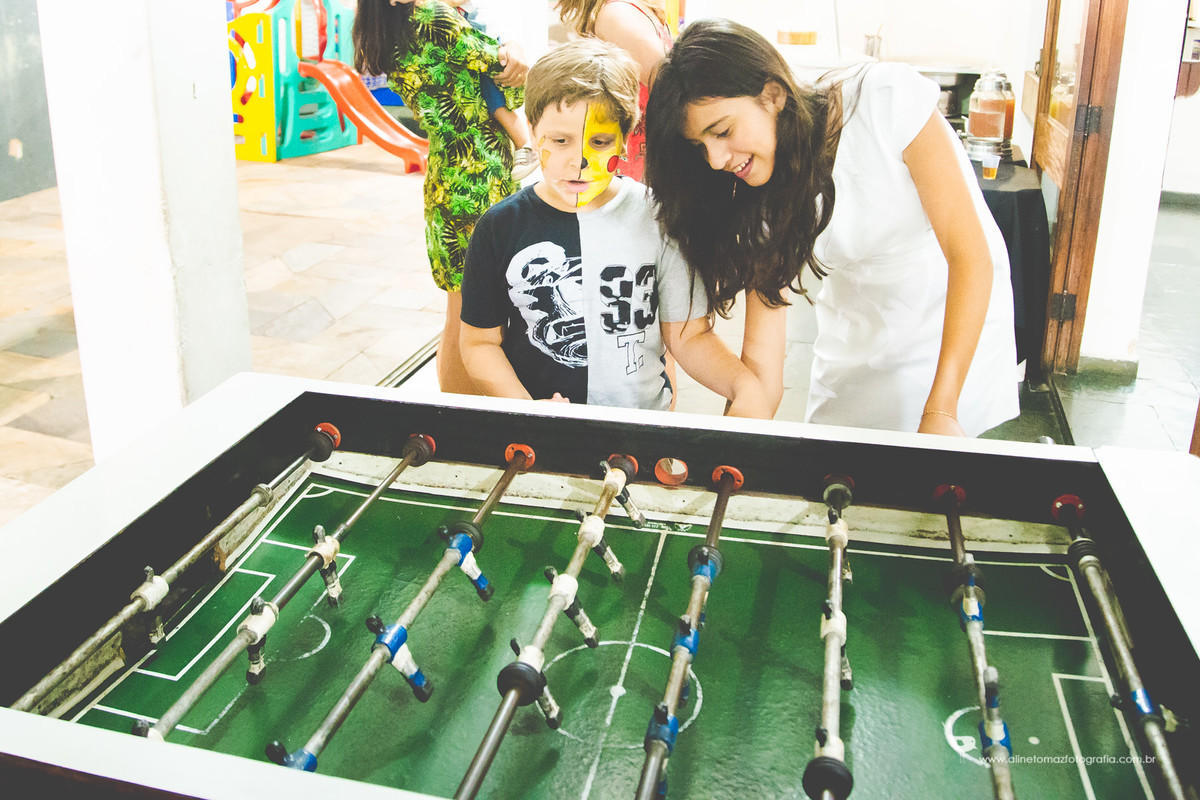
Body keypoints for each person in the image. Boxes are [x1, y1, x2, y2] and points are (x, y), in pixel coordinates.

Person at [644, 19, 1020, 436]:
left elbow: (970, 257)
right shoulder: (758, 197)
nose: (716, 159)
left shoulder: (884, 102)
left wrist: (942, 411)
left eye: (723, 131)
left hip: (951, 317)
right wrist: (730, 446)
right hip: (857, 331)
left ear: (772, 95)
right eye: (701, 146)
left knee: (936, 476)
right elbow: (762, 378)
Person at [459, 38, 767, 414]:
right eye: (560, 140)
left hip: (642, 433)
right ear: (533, 127)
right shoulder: (500, 226)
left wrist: (742, 384)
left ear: (624, 139)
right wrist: (525, 409)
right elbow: (479, 343)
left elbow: (688, 336)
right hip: (541, 441)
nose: (580, 161)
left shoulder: (660, 219)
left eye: (600, 141)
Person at [354, 0, 529, 394]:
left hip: (448, 176)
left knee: (461, 313)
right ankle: (460, 411)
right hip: (476, 177)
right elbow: (509, 70)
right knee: (475, 318)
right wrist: (515, 49)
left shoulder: (395, 26)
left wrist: (511, 49)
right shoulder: (434, 17)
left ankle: (454, 410)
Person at [555, 0, 673, 182]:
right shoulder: (618, 14)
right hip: (638, 169)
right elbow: (672, 85)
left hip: (647, 161)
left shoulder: (633, 11)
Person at [440, 0, 537, 180]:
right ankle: (525, 143)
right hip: (480, 45)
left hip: (485, 43)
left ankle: (525, 143)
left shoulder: (457, 11)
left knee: (495, 99)